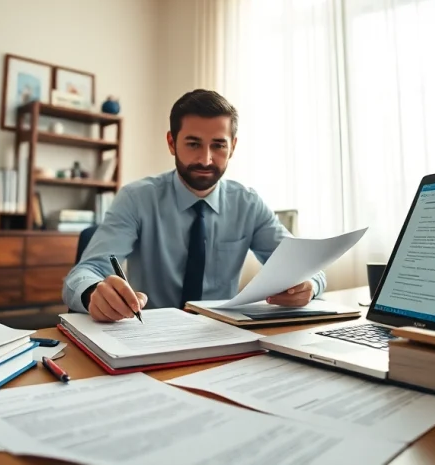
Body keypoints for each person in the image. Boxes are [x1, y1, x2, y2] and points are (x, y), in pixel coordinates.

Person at [62, 89, 326, 322]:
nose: (206, 159)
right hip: (148, 334)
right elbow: (86, 272)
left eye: (219, 145)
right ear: (171, 143)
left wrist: (308, 286)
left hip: (221, 335)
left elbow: (305, 268)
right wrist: (94, 293)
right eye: (193, 143)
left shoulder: (248, 204)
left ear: (232, 147)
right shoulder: (136, 199)